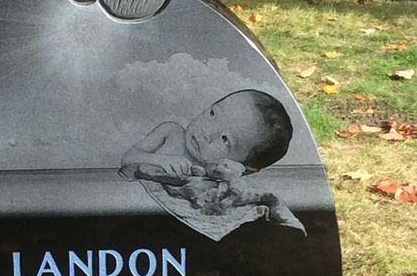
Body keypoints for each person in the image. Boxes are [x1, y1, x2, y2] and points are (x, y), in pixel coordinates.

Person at [120, 90, 303, 238]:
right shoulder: (171, 132)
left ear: (243, 168)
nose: (207, 131)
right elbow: (129, 158)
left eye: (225, 139)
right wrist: (160, 160)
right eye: (213, 113)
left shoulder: (214, 179)